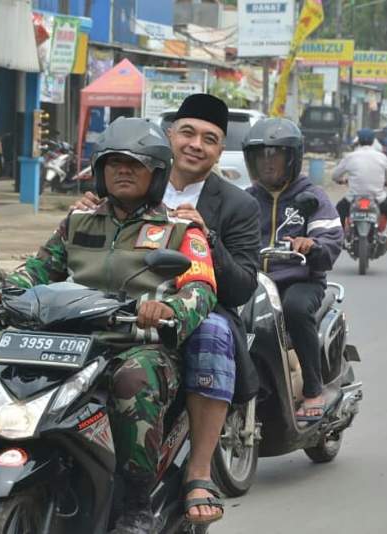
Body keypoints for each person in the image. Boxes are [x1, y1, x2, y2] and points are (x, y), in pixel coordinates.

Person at [0, 118, 217, 534]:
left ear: (157, 173)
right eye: (113, 163)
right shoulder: (77, 221)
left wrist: (171, 311)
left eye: (135, 164)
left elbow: (201, 287)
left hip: (139, 345)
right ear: (101, 171)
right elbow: (38, 268)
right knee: (12, 378)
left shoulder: (180, 229)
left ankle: (137, 503)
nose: (123, 170)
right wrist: (5, 293)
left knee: (131, 382)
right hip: (71, 343)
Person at [74, 94, 261, 525]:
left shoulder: (238, 206)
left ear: (220, 151)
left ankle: (198, 471)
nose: (197, 145)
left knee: (212, 330)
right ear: (169, 137)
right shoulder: (128, 180)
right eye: (188, 133)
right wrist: (89, 214)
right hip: (116, 304)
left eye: (210, 139)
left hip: (194, 307)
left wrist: (206, 234)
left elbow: (242, 287)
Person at [243, 118, 344, 422]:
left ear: (292, 157)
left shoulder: (311, 197)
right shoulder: (247, 199)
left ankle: (313, 389)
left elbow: (331, 240)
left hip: (299, 281)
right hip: (255, 282)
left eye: (275, 154)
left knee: (296, 309)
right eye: (261, 156)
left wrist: (311, 245)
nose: (268, 162)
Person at [332, 128, 387, 249]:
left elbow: (335, 176)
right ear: (373, 142)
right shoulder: (382, 157)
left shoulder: (350, 157)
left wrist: (342, 180)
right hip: (378, 199)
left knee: (338, 212)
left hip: (353, 199)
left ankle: (341, 238)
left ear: (358, 141)